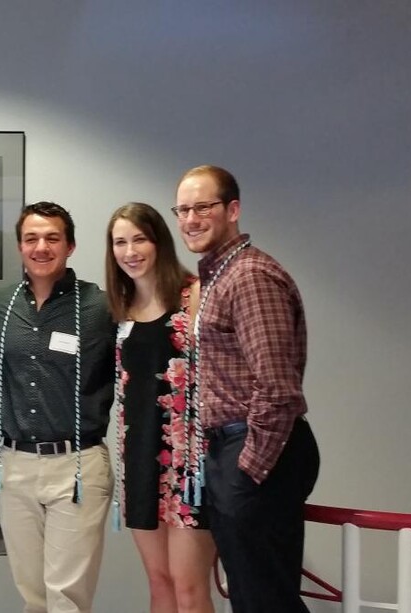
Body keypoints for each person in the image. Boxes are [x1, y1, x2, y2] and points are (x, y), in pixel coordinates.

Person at [174, 165, 319, 612]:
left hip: (255, 452)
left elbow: (277, 389)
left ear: (233, 209)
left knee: (263, 600)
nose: (191, 219)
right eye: (183, 209)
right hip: (231, 451)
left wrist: (247, 471)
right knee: (254, 596)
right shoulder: (219, 276)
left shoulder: (250, 278)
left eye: (203, 207)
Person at [0, 202, 115, 613]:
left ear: (70, 246)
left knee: (66, 597)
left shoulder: (100, 306)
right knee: (33, 594)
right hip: (15, 465)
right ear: (20, 247)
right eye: (31, 238)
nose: (41, 247)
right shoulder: (0, 305)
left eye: (52, 238)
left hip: (76, 465)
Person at [106, 203, 215, 613]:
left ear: (159, 242)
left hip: (190, 465)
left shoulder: (193, 294)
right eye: (120, 242)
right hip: (140, 459)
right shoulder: (120, 308)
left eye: (139, 239)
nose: (130, 251)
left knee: (189, 588)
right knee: (159, 582)